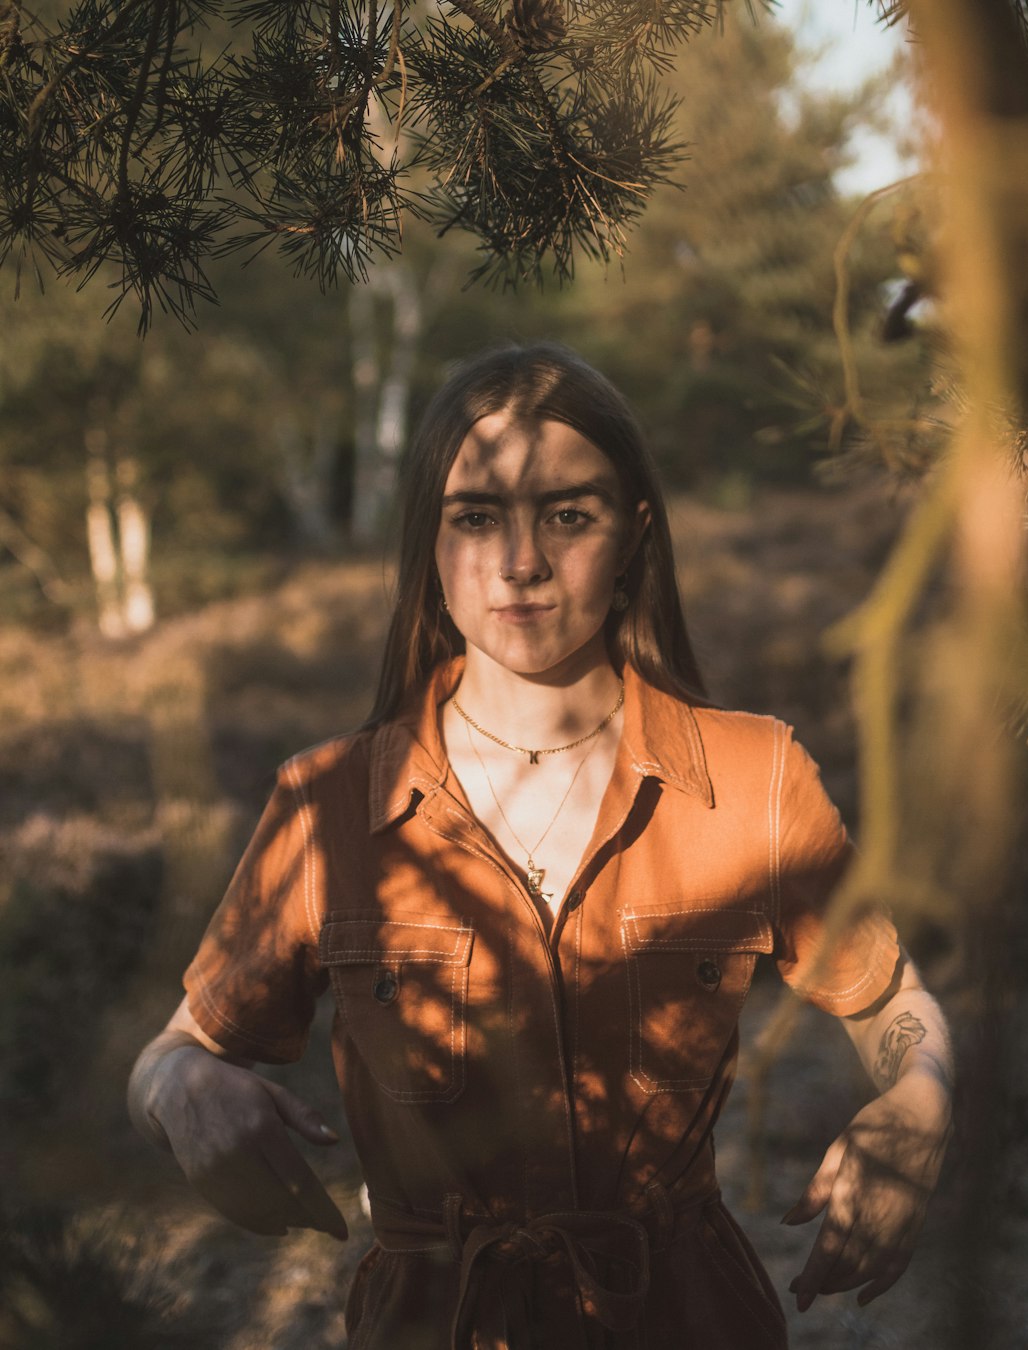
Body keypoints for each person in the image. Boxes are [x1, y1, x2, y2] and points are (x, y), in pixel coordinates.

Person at [128, 344, 953, 1350]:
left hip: (685, 1320)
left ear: (633, 534)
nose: (521, 561)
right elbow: (177, 1050)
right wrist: (178, 1090)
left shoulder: (755, 777)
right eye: (477, 517)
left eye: (569, 515)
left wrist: (920, 1100)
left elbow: (891, 1000)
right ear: (429, 542)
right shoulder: (329, 805)